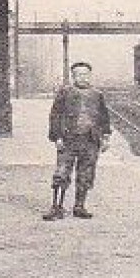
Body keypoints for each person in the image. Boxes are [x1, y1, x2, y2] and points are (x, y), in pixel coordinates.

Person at [45, 61, 113, 220]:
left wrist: (106, 137)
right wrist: (57, 137)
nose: (82, 77)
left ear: (90, 75)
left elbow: (104, 118)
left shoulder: (97, 95)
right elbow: (55, 116)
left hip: (90, 140)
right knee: (61, 173)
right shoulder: (64, 93)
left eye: (85, 74)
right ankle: (57, 207)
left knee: (86, 174)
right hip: (68, 140)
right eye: (78, 74)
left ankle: (79, 206)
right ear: (73, 76)